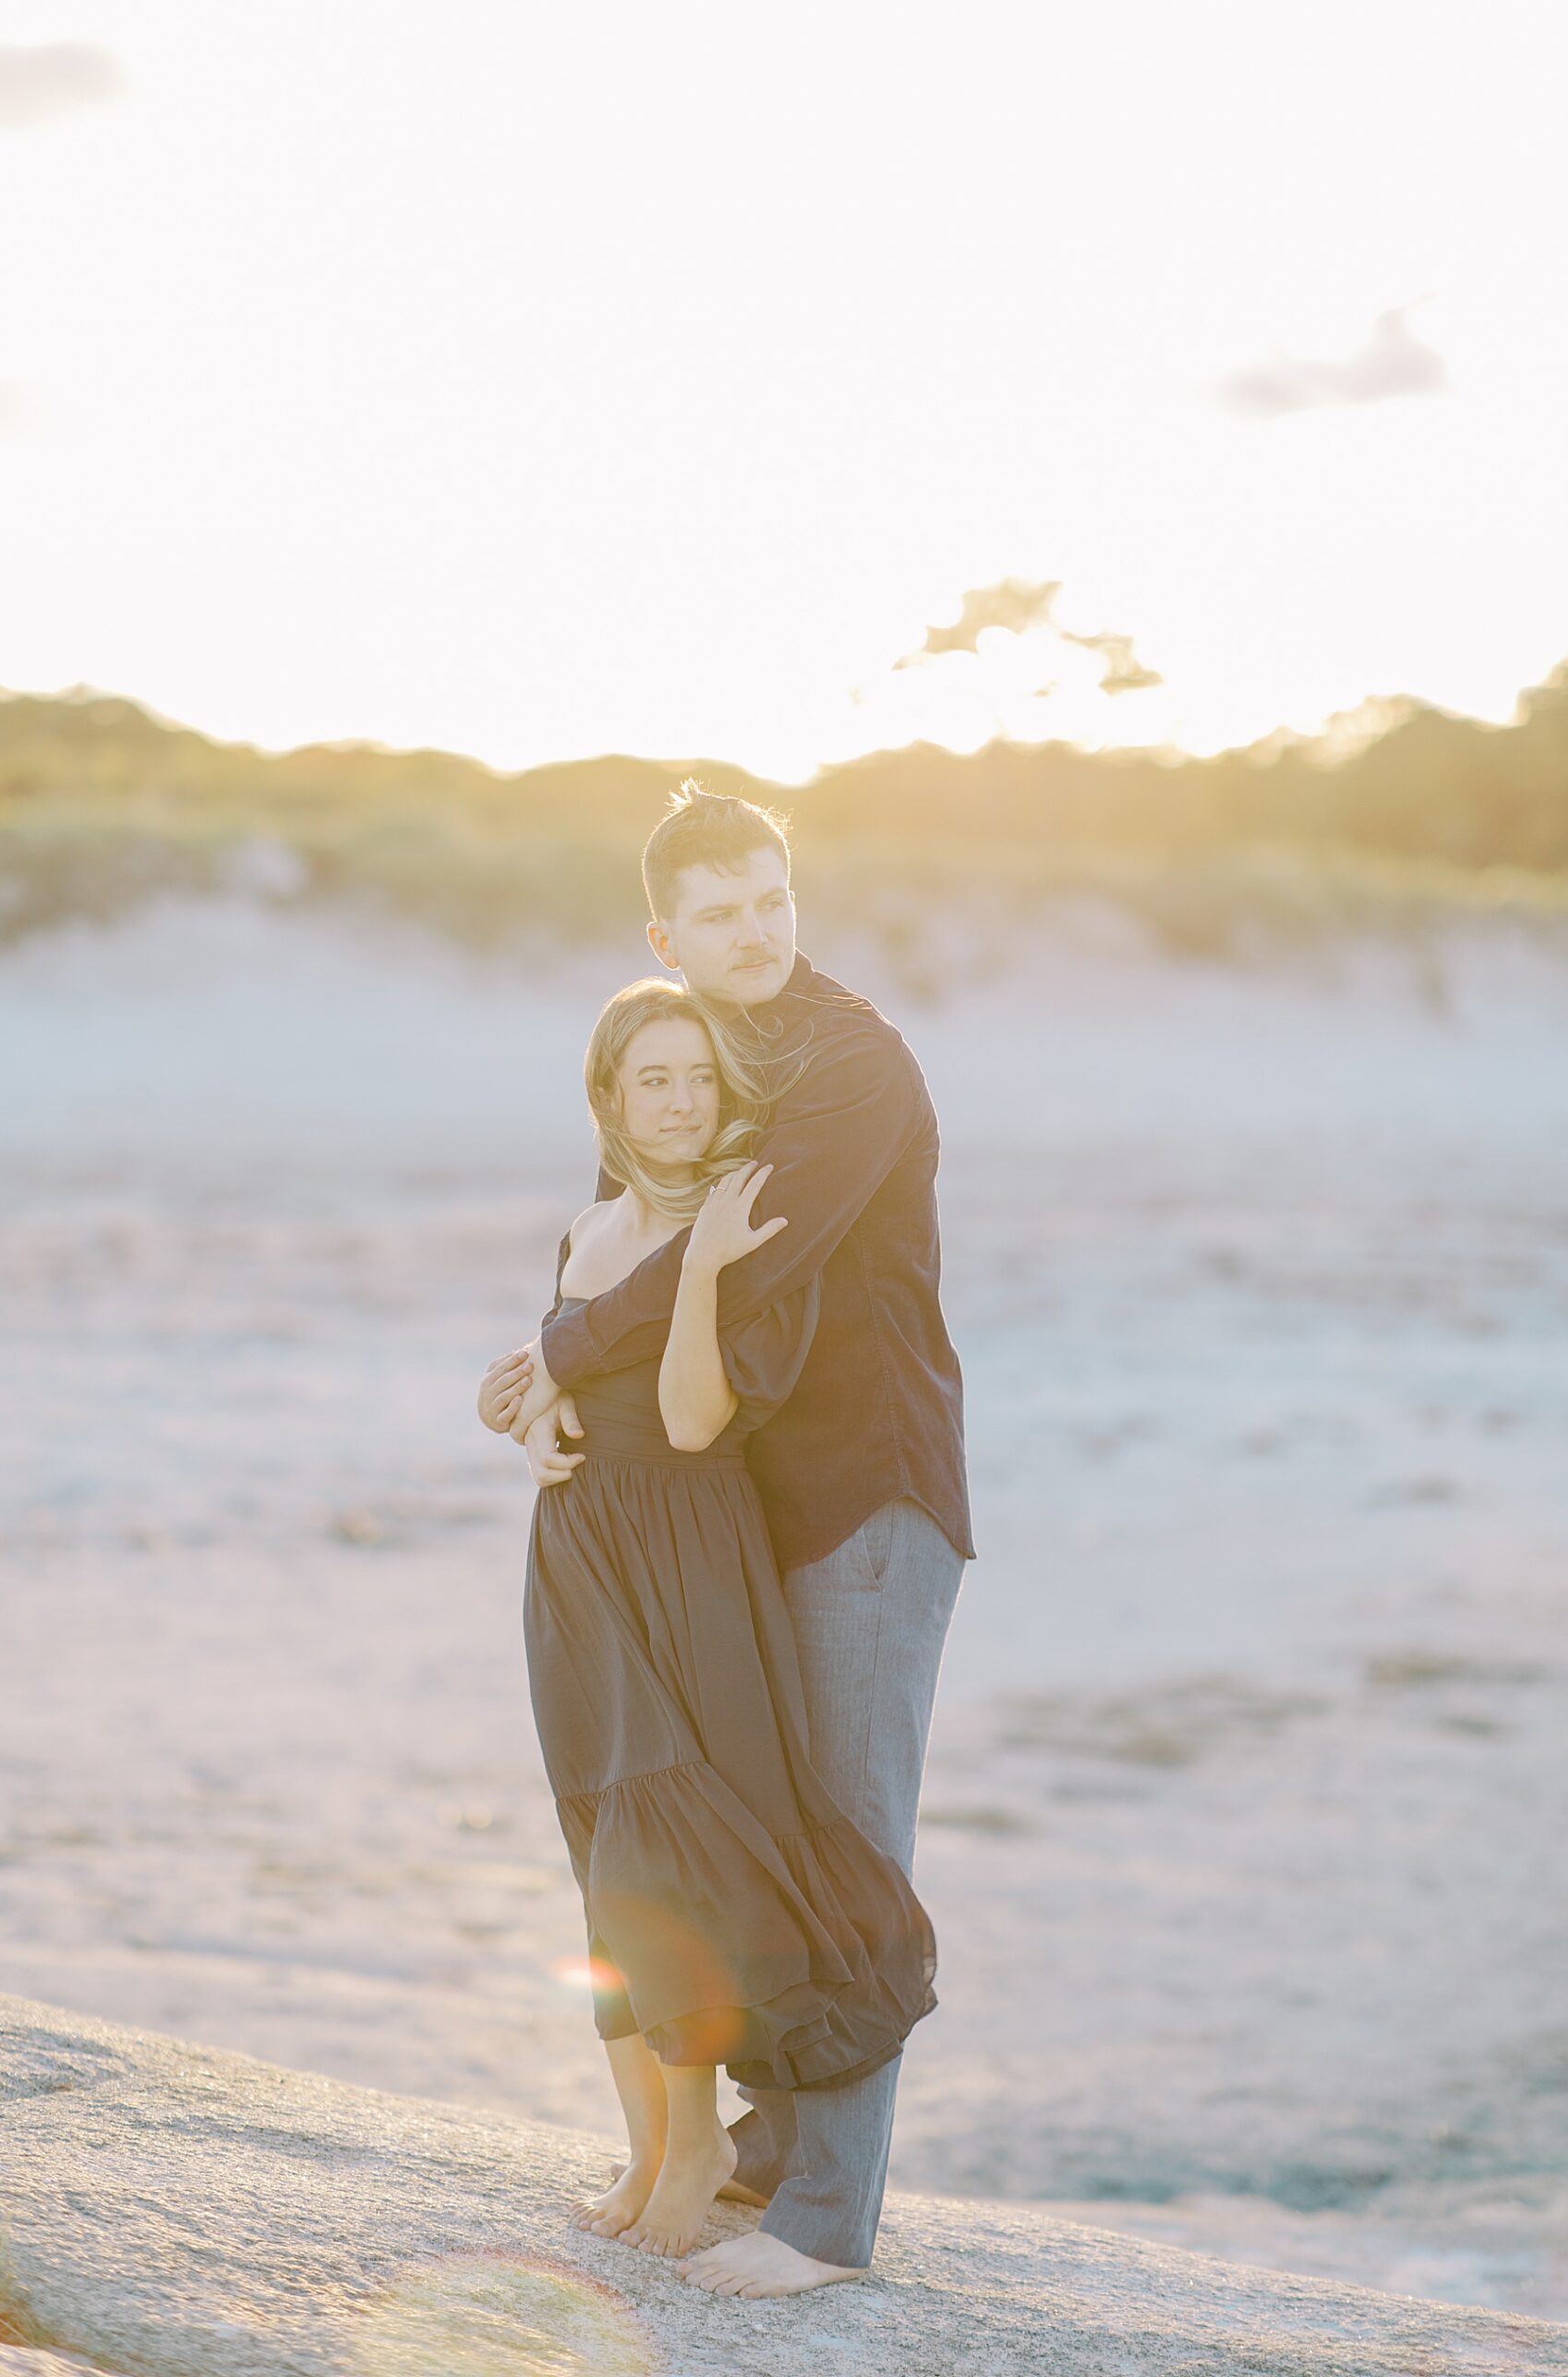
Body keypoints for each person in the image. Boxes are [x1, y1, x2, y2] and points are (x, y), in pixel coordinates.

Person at [480, 782, 972, 2300]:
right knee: (766, 1826)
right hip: (752, 1511)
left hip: (869, 1498)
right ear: (666, 937)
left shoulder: (849, 1065)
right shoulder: (732, 1059)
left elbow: (713, 1253)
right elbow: (645, 1205)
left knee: (847, 1842)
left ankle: (829, 2220)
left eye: (773, 900)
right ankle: (763, 2155)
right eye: (721, 915)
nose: (755, 934)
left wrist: (558, 1350)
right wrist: (553, 1377)